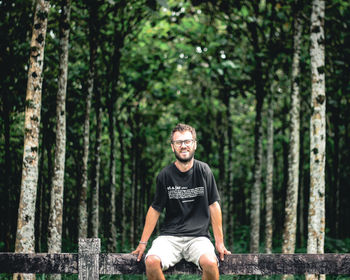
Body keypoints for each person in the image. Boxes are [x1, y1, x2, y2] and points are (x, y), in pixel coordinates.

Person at [132, 123, 231, 280]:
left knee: (211, 263)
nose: (183, 146)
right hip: (170, 237)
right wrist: (143, 243)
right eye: (178, 142)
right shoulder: (165, 175)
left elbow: (214, 205)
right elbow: (155, 209)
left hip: (199, 237)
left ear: (194, 144)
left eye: (187, 141)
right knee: (151, 262)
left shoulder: (204, 170)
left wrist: (220, 242)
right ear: (173, 147)